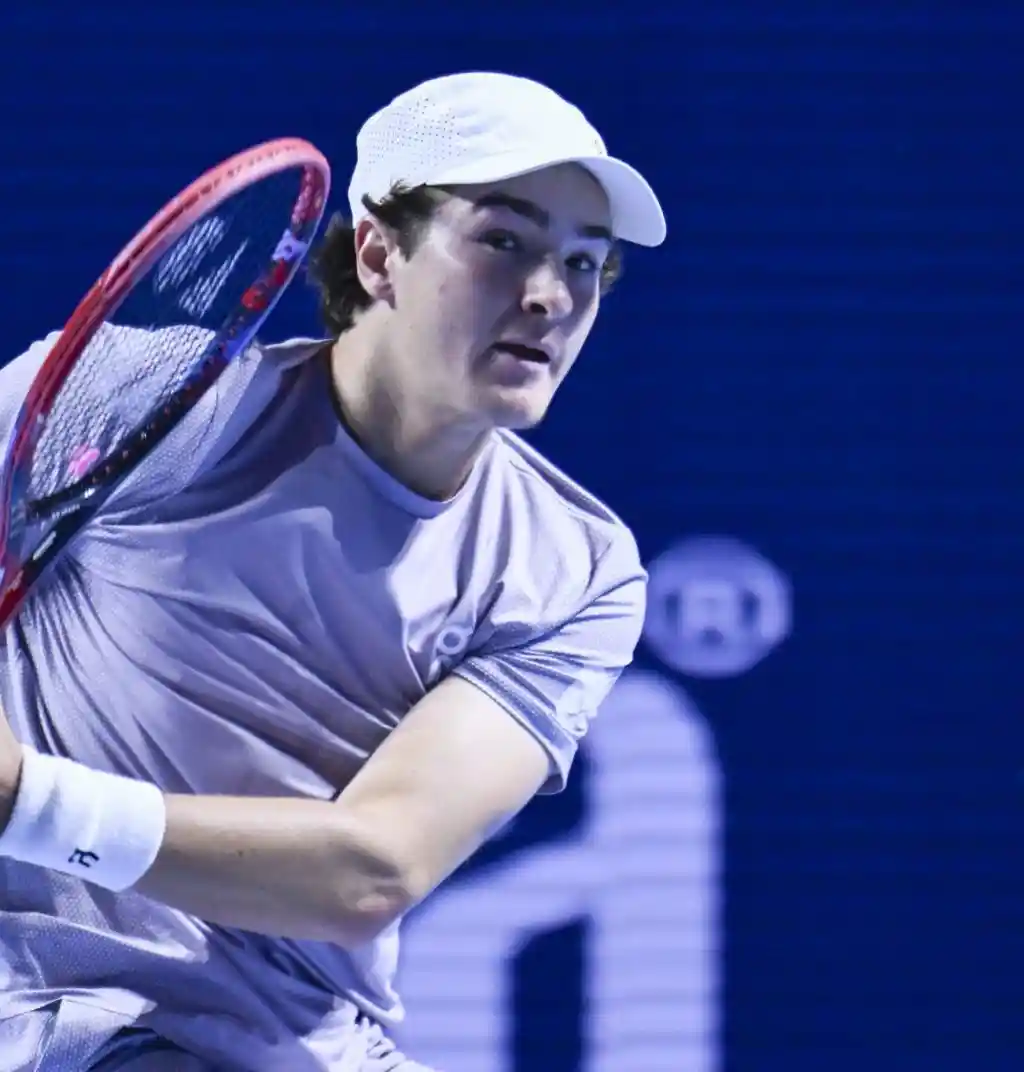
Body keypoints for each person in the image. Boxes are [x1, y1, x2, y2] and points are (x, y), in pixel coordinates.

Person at [0, 71, 666, 1071]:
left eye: (584, 261)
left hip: (299, 1044)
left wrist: (27, 802)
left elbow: (372, 869)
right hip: (56, 1005)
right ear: (378, 254)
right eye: (504, 240)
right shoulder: (147, 398)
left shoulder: (574, 571)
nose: (550, 295)